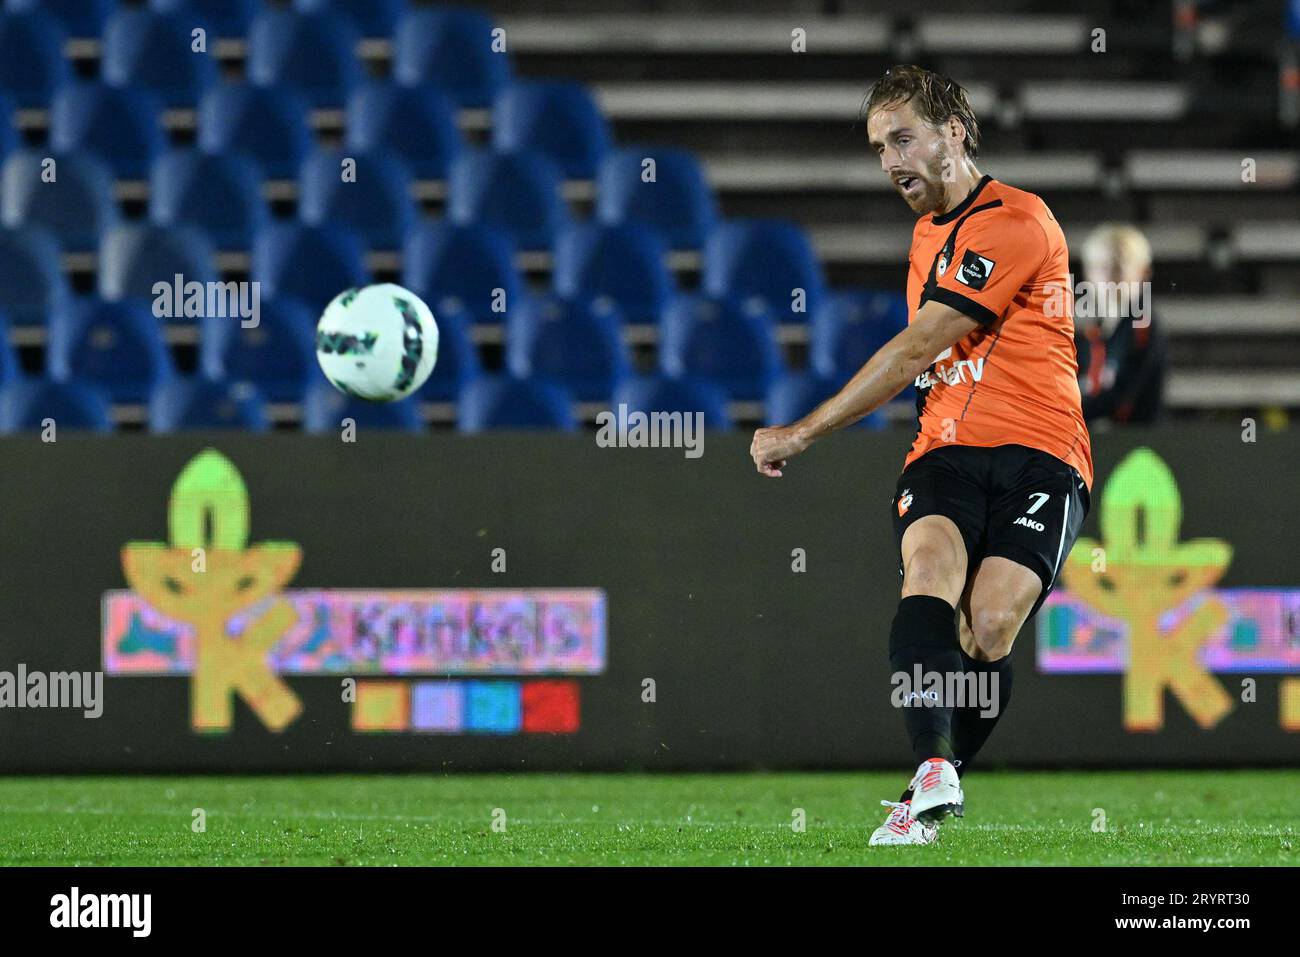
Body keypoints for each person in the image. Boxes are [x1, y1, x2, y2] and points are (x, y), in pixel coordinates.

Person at [749, 65, 1092, 845]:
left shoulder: (1016, 220)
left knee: (994, 623)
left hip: (1043, 452)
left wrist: (799, 432)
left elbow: (913, 350)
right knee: (928, 570)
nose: (888, 161)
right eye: (876, 147)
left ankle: (928, 784)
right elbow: (929, 369)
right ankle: (933, 767)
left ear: (954, 134)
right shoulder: (925, 233)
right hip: (945, 449)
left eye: (901, 138)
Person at [1074, 224, 1166, 425]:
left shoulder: (1143, 325)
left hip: (1137, 445)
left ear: (1144, 273)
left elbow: (1122, 395)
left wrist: (1066, 413)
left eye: (1118, 268)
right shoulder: (1092, 330)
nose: (1107, 278)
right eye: (1098, 268)